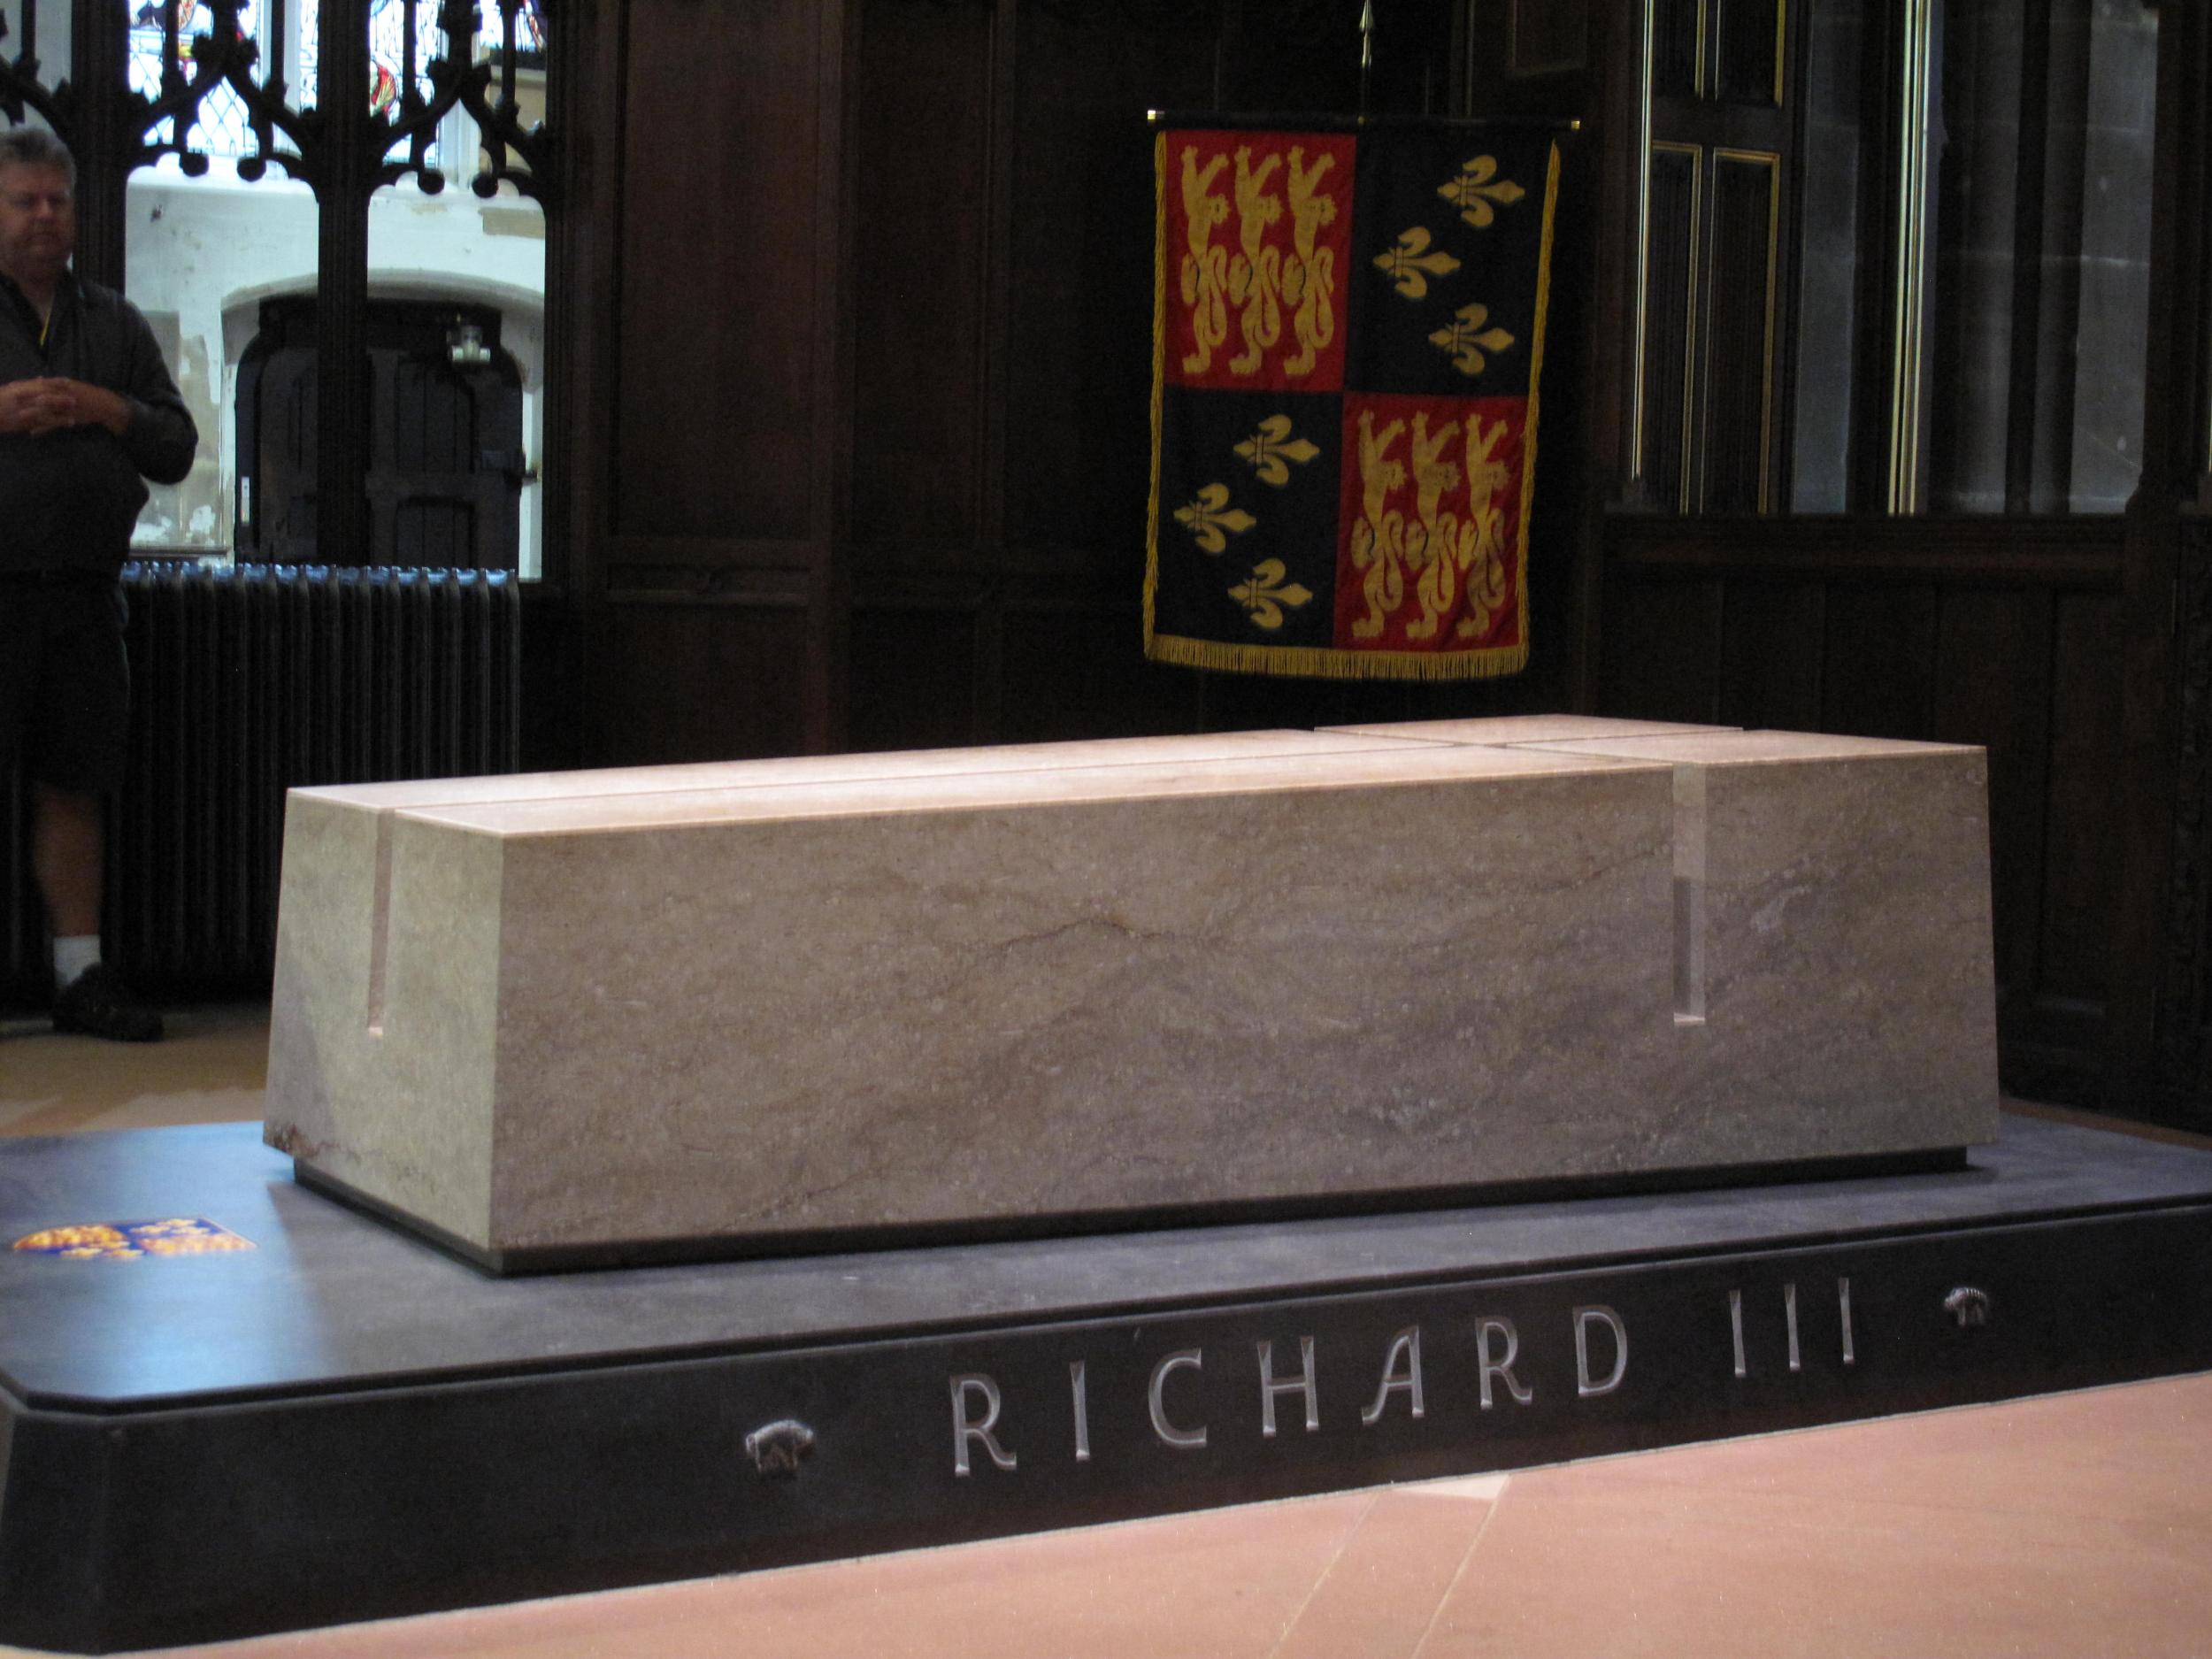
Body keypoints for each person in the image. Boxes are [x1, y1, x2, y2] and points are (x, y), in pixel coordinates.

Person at [0, 126, 197, 1041]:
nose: (45, 218)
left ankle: (80, 977)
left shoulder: (112, 323)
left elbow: (175, 444)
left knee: (73, 786)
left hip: (82, 597)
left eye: (57, 201)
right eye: (24, 201)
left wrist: (105, 405)